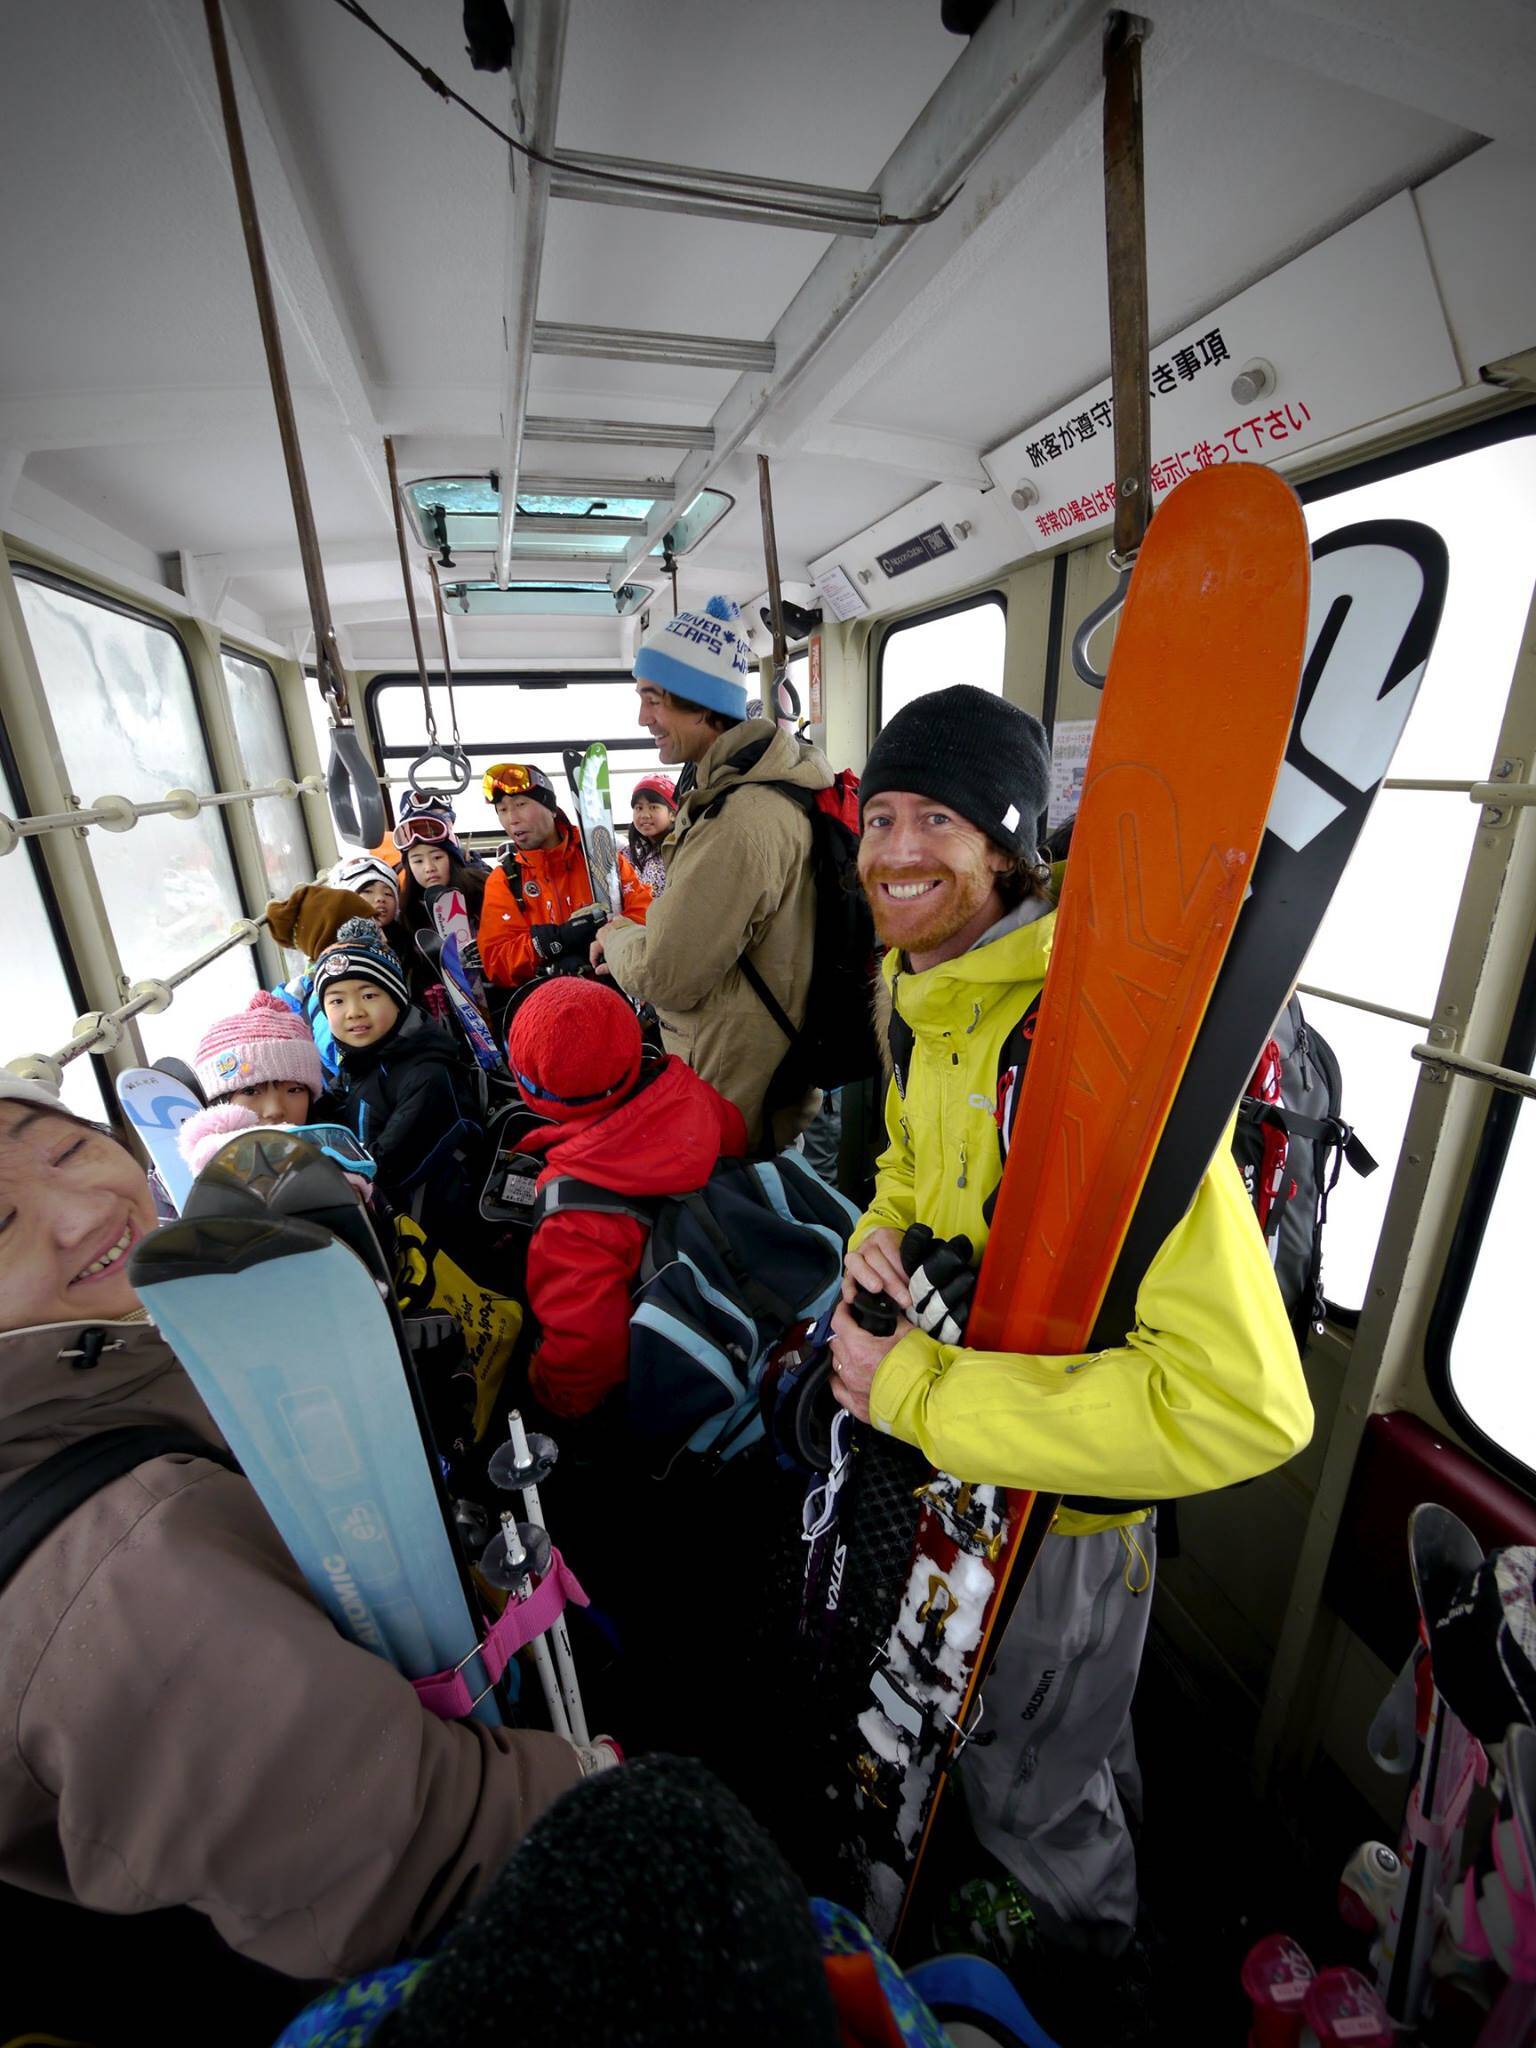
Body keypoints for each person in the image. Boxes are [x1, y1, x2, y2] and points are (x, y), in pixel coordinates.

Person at [823, 687, 1313, 1981]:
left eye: (937, 817)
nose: (897, 849)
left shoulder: (1081, 1048)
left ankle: (1086, 1968)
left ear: (1003, 847)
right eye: (880, 815)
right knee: (1049, 1740)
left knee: (1036, 1778)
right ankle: (1078, 1848)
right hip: (975, 1485)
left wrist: (916, 1394)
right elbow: (917, 1174)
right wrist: (872, 1242)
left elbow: (1244, 1403)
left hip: (1064, 1527)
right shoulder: (928, 998)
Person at [0, 1070, 605, 2017]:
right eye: (0, 1224)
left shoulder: (97, 1378)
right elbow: (412, 1857)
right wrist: (609, 1796)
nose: (83, 1209)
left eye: (71, 1146)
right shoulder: (121, 1576)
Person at [592, 597, 833, 1153]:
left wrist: (616, 934)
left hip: (733, 1097)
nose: (642, 717)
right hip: (754, 1069)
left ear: (701, 704)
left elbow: (664, 974)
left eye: (653, 699)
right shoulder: (744, 792)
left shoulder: (740, 821)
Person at [505, 976, 746, 1420]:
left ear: (530, 1088)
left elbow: (588, 1352)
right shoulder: (686, 1090)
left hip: (685, 1378)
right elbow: (737, 1142)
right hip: (741, 1288)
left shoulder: (570, 1214)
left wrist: (545, 1394)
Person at [312, 917, 478, 1212]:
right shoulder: (358, 1065)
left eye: (369, 996)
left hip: (435, 1238)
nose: (354, 1012)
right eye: (337, 1001)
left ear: (397, 1000)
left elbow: (385, 1168)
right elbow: (323, 1120)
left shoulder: (429, 1072)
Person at [476, 763, 651, 989]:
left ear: (550, 808)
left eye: (520, 805)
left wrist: (608, 937)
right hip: (546, 1003)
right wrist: (552, 942)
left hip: (613, 993)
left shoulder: (600, 859)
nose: (512, 819)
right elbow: (497, 961)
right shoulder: (505, 881)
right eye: (502, 810)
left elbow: (645, 914)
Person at [173, 990, 358, 1180]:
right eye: (250, 1090)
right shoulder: (175, 1181)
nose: (274, 1110)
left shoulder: (347, 1163)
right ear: (217, 1105)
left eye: (294, 1090)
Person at [394, 801, 488, 1010]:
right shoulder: (408, 912)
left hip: (495, 996)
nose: (429, 868)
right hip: (446, 1011)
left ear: (452, 858)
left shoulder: (482, 889)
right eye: (417, 861)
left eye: (437, 857)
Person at [625, 772, 678, 897]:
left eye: (653, 807)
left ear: (673, 814)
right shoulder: (630, 853)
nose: (645, 815)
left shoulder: (680, 850)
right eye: (639, 808)